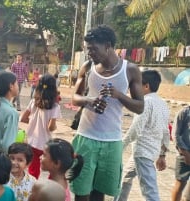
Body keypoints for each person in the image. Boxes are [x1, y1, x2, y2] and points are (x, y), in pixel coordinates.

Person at [70, 25, 144, 201]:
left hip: (112, 141)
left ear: (108, 45)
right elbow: (74, 98)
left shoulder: (130, 70)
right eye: (88, 49)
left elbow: (140, 107)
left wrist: (119, 95)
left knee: (100, 192)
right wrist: (89, 101)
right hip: (86, 138)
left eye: (93, 48)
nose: (90, 53)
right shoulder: (88, 67)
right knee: (81, 190)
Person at [115, 70, 170, 201]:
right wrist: (162, 154)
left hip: (143, 152)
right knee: (126, 177)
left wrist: (121, 145)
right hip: (150, 151)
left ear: (146, 86)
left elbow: (136, 129)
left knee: (150, 191)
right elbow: (166, 132)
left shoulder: (145, 102)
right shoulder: (162, 104)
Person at [20, 74, 62, 179]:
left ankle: (30, 187)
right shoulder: (55, 107)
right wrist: (53, 126)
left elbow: (23, 119)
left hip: (31, 141)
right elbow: (51, 127)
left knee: (33, 168)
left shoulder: (33, 102)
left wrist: (34, 121)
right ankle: (46, 188)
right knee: (52, 167)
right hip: (45, 144)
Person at [171, 105, 190, 201]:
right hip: (184, 155)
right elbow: (175, 134)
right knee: (180, 184)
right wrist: (185, 153)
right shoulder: (184, 112)